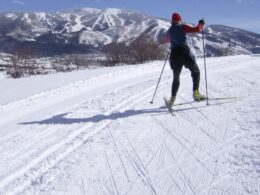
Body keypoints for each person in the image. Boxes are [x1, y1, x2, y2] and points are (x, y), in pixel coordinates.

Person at [166, 12, 206, 107]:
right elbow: (196, 29)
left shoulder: (169, 31)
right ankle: (196, 94)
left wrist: (173, 41)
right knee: (195, 72)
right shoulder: (182, 27)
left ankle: (172, 99)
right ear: (179, 20)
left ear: (172, 21)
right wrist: (201, 23)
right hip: (184, 53)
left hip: (174, 55)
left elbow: (167, 40)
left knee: (176, 77)